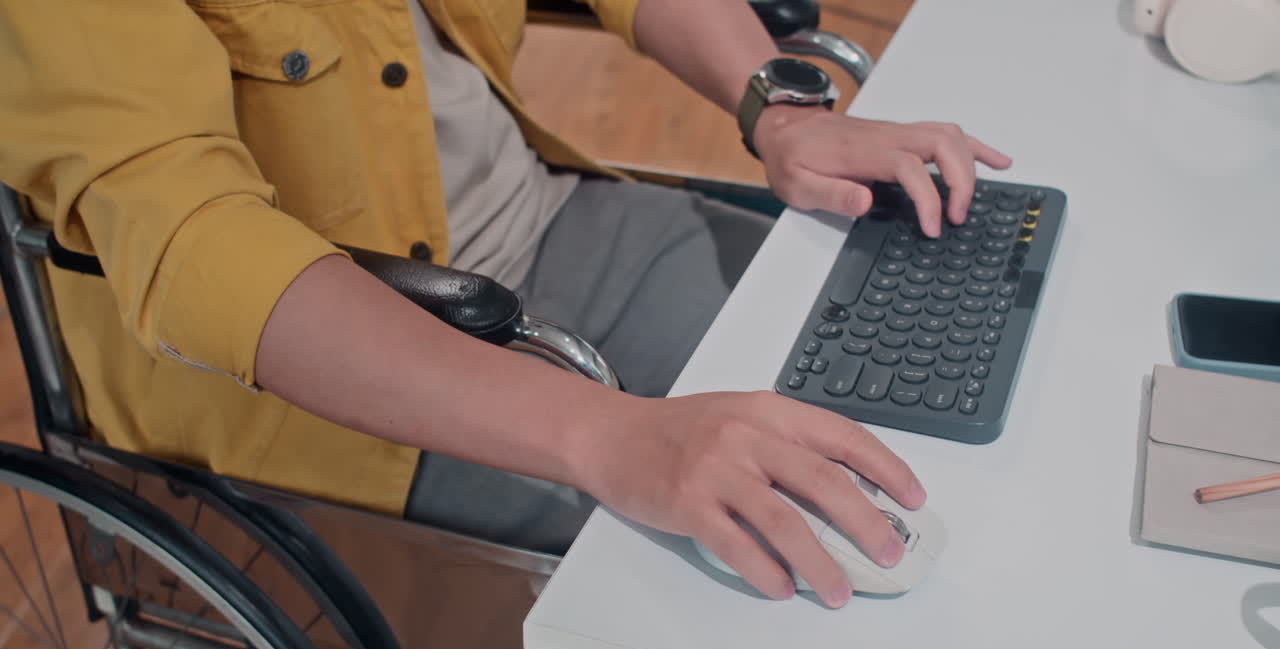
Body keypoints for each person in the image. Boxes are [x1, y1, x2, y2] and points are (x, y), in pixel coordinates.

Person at [0, 0, 1010, 610]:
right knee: (769, 593)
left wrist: (780, 111)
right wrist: (607, 434)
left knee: (926, 371)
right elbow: (192, 241)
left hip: (554, 218)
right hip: (351, 382)